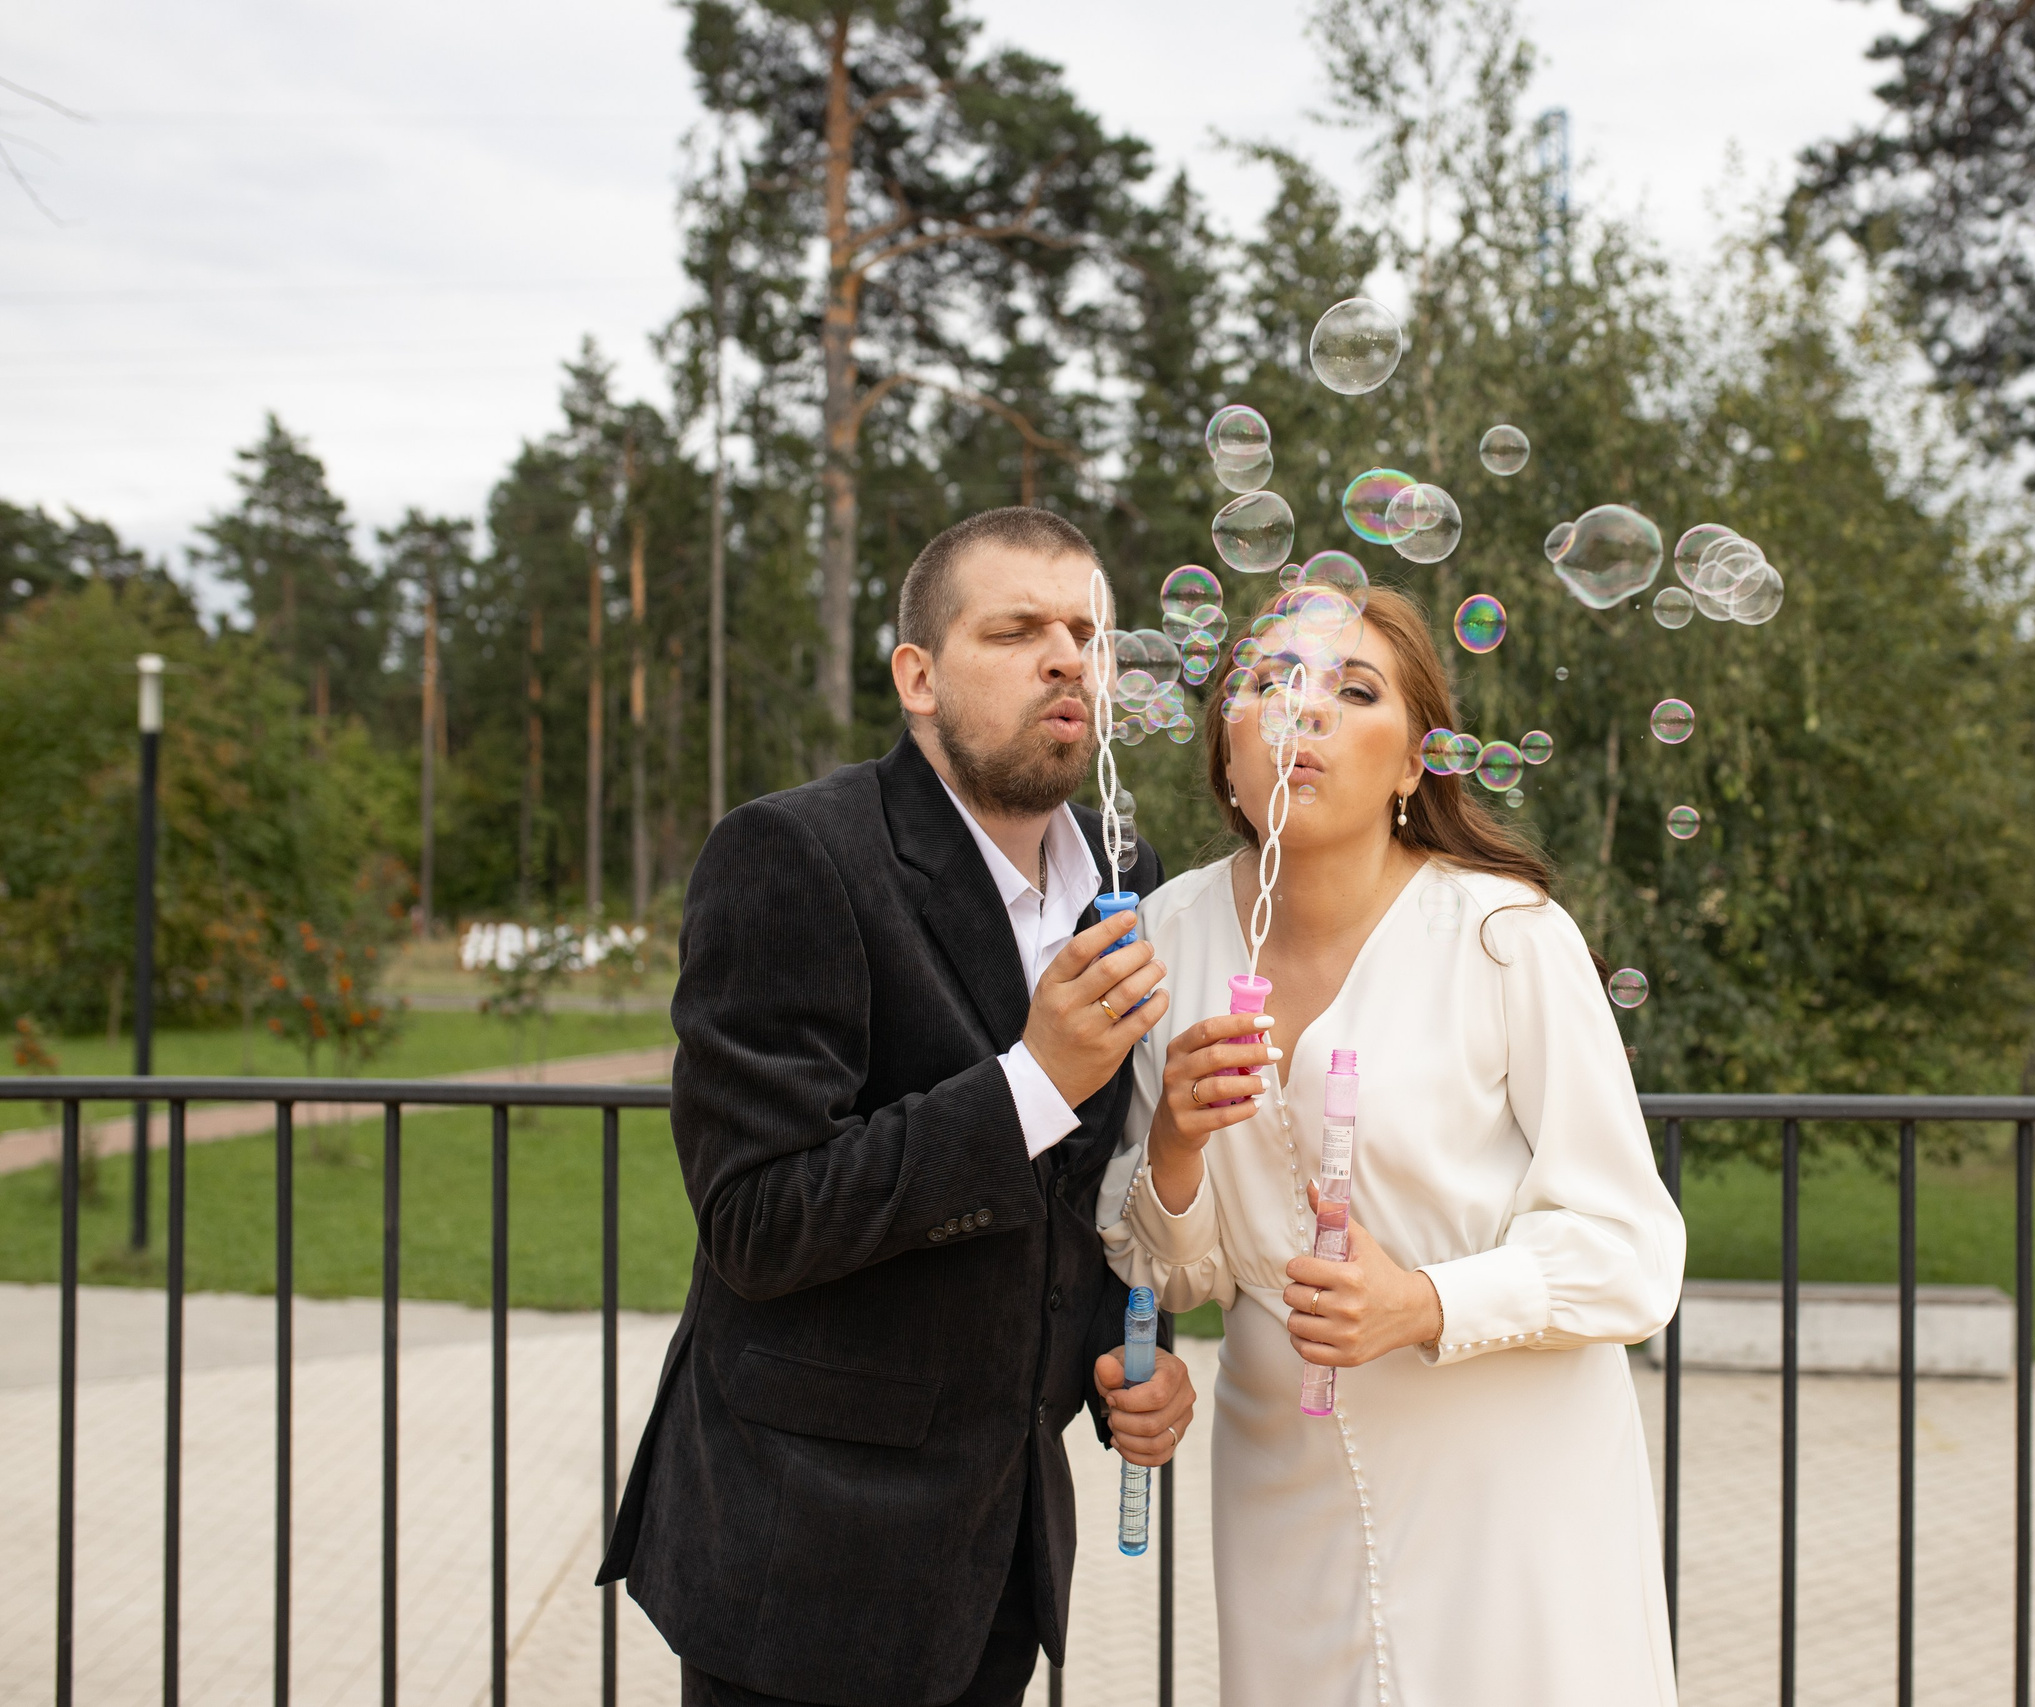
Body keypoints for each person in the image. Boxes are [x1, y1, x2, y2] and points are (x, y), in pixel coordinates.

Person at [601, 508, 1199, 1707]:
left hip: (995, 1558)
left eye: (1086, 632)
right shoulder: (791, 857)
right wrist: (1031, 1080)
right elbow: (759, 1222)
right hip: (805, 1562)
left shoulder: (1126, 881)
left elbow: (1070, 1196)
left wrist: (1125, 1361)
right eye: (1018, 629)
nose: (1067, 658)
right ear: (917, 677)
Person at [1098, 585, 1687, 1707]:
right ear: (1226, 749)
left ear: (1416, 763)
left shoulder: (1507, 937)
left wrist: (1421, 1302)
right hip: (1284, 1483)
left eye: (1352, 690)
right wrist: (1173, 1141)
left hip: (1511, 1489)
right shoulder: (1167, 935)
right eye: (1267, 684)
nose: (1300, 711)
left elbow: (1632, 1254)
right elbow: (1168, 1271)